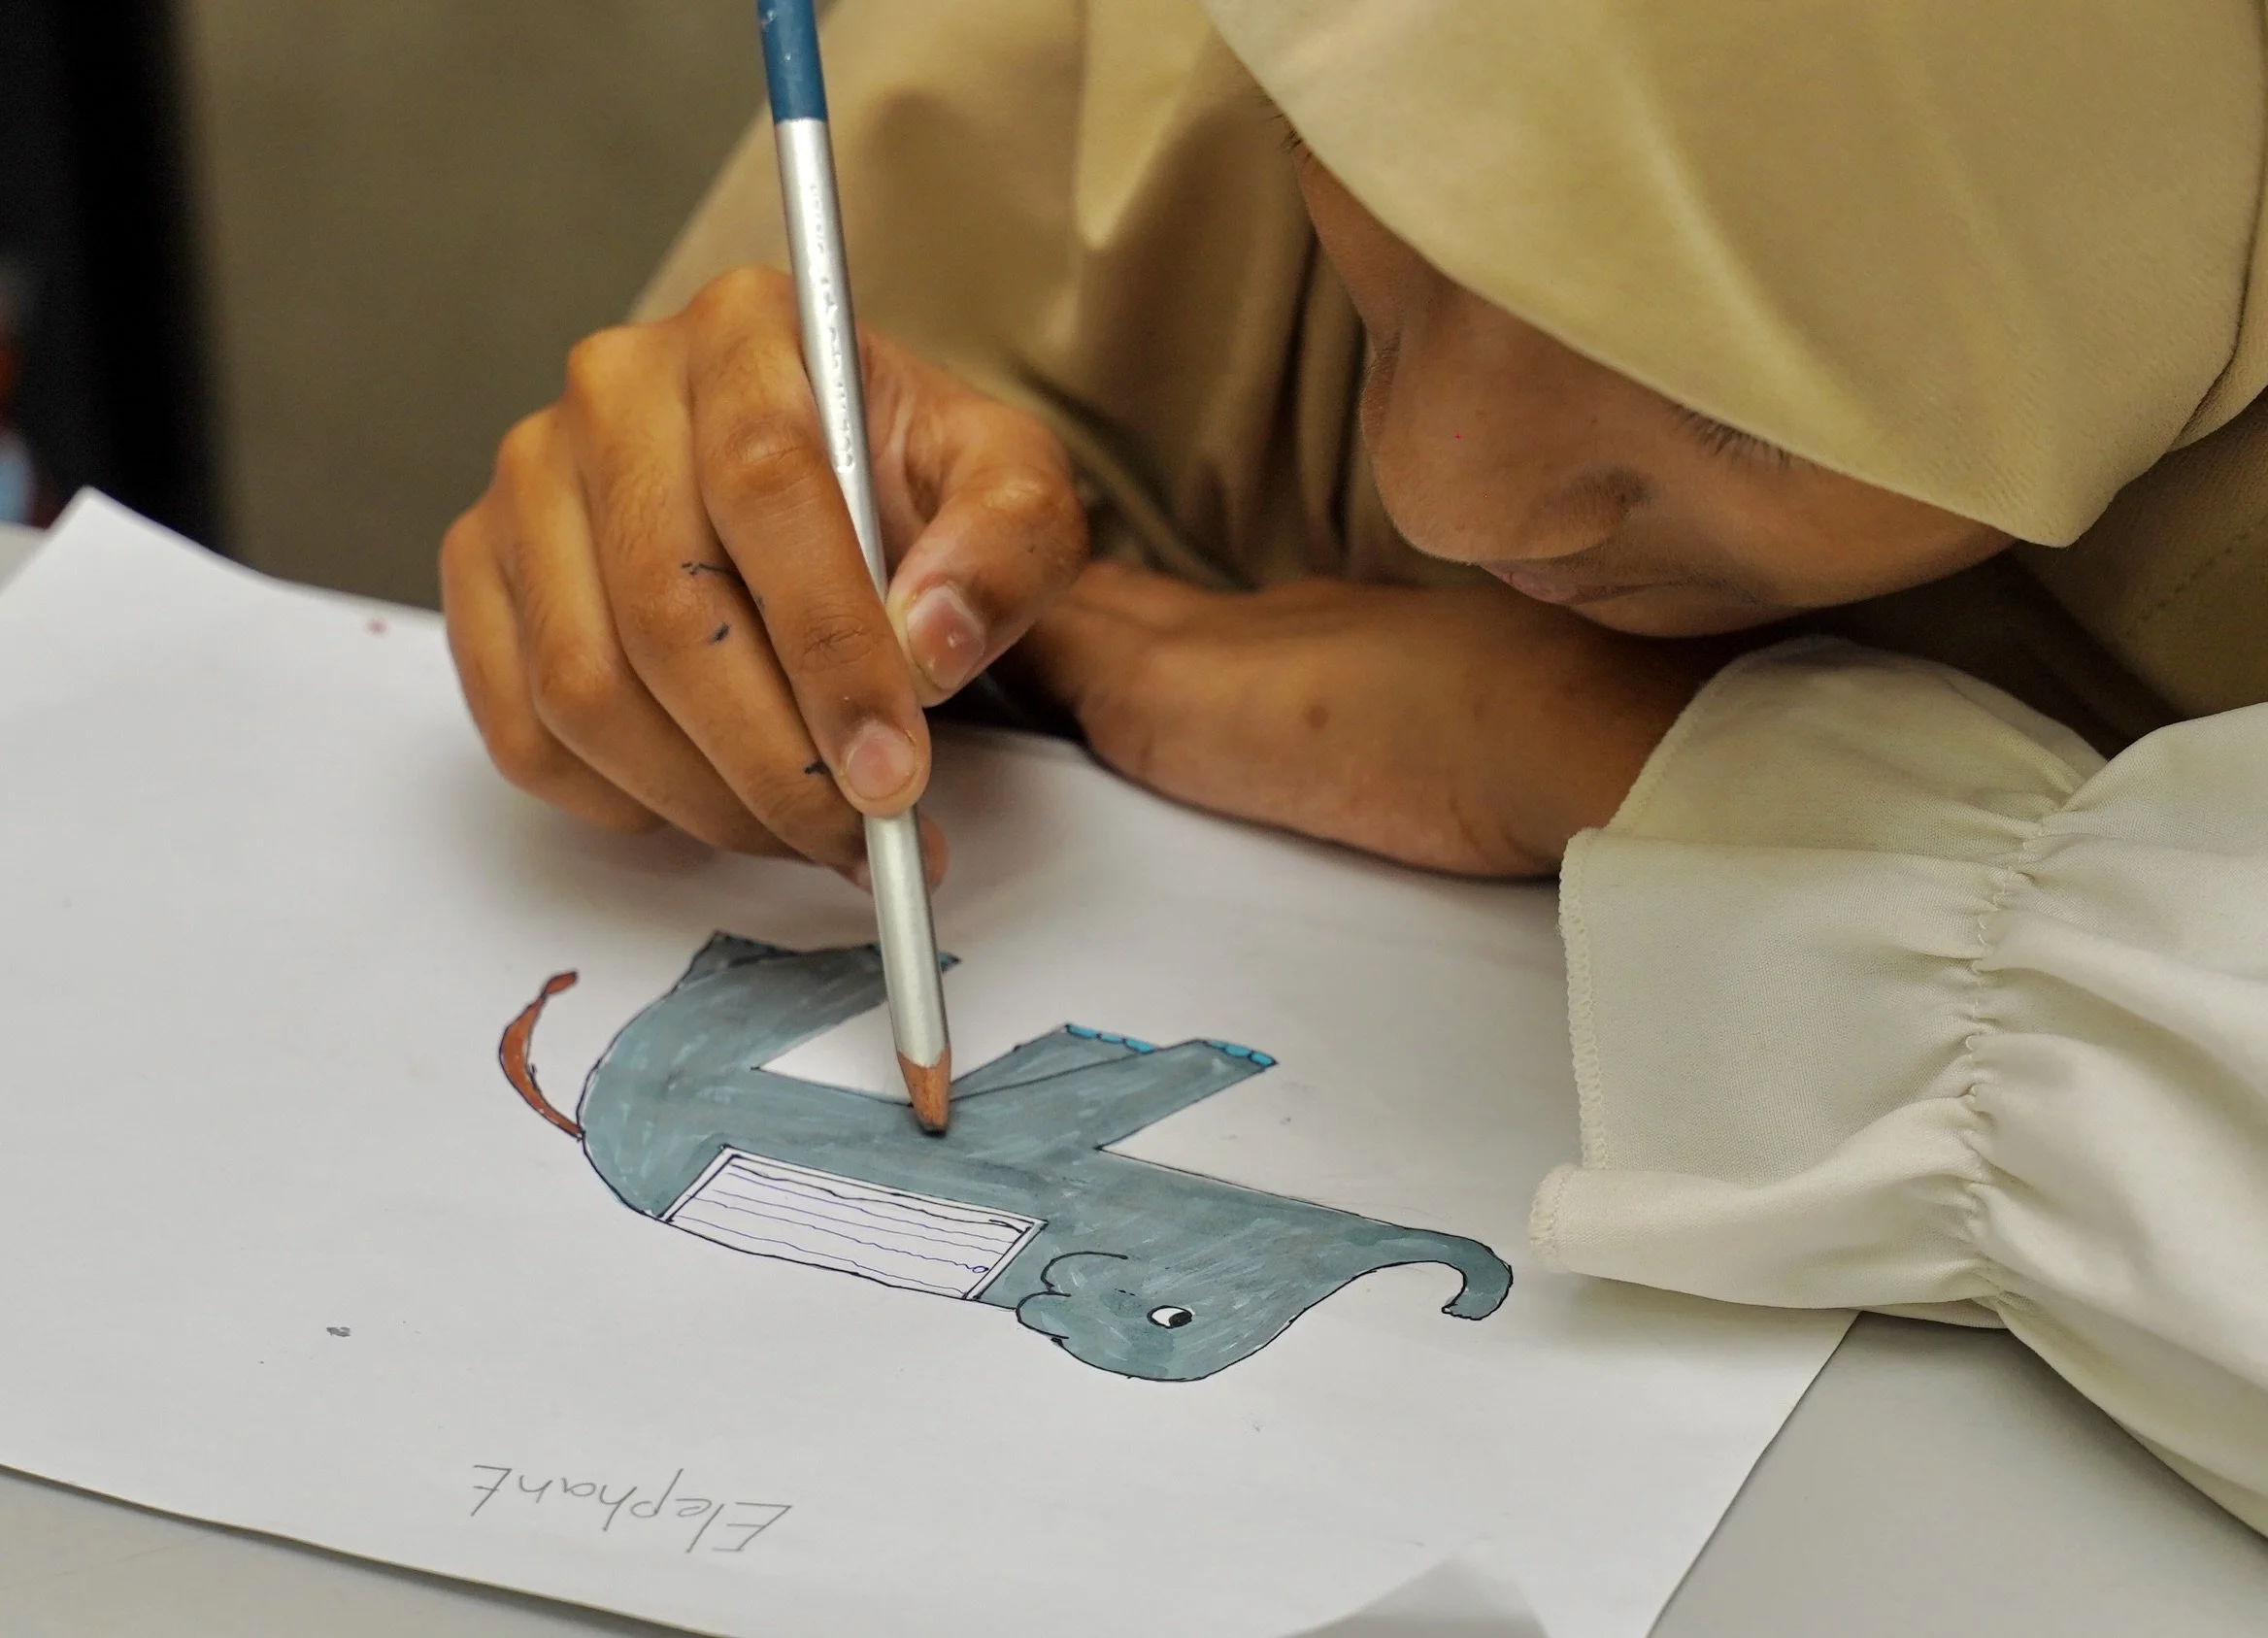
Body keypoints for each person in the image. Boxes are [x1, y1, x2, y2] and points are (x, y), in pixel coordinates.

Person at [440, 3, 2268, 1531]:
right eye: (1384, 188)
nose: (1440, 490)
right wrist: (733, 543)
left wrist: (1664, 769)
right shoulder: (1134, 55)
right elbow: (762, 540)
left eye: (1748, 397)